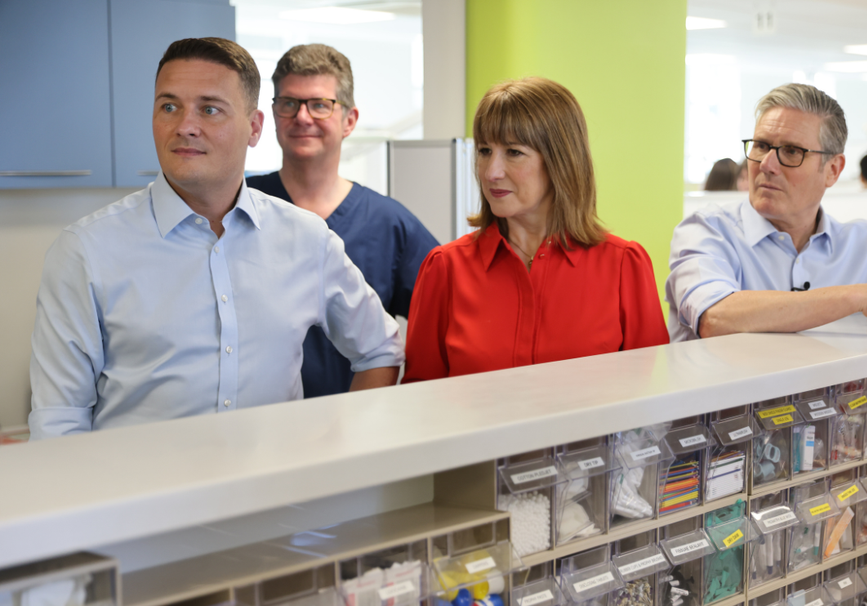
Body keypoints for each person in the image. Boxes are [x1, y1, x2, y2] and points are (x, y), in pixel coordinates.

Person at [28, 38, 402, 439]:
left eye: (210, 109)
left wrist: (336, 445)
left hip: (279, 498)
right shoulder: (87, 251)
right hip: (140, 499)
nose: (185, 126)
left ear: (254, 128)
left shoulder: (306, 238)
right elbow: (58, 421)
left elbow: (380, 349)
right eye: (169, 107)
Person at [402, 77, 669, 382]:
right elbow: (421, 405)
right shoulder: (444, 269)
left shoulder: (624, 266)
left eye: (514, 152)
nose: (492, 172)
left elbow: (652, 408)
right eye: (485, 151)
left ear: (561, 160)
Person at [666, 83, 867, 342]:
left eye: (791, 151)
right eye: (761, 145)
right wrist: (860, 297)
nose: (767, 165)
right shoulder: (707, 230)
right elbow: (716, 316)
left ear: (832, 170)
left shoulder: (862, 246)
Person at [248, 45, 438, 397]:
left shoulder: (388, 223)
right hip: (251, 430)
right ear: (273, 114)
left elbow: (446, 321)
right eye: (289, 103)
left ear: (349, 120)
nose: (302, 117)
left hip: (351, 427)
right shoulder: (239, 206)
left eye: (320, 105)